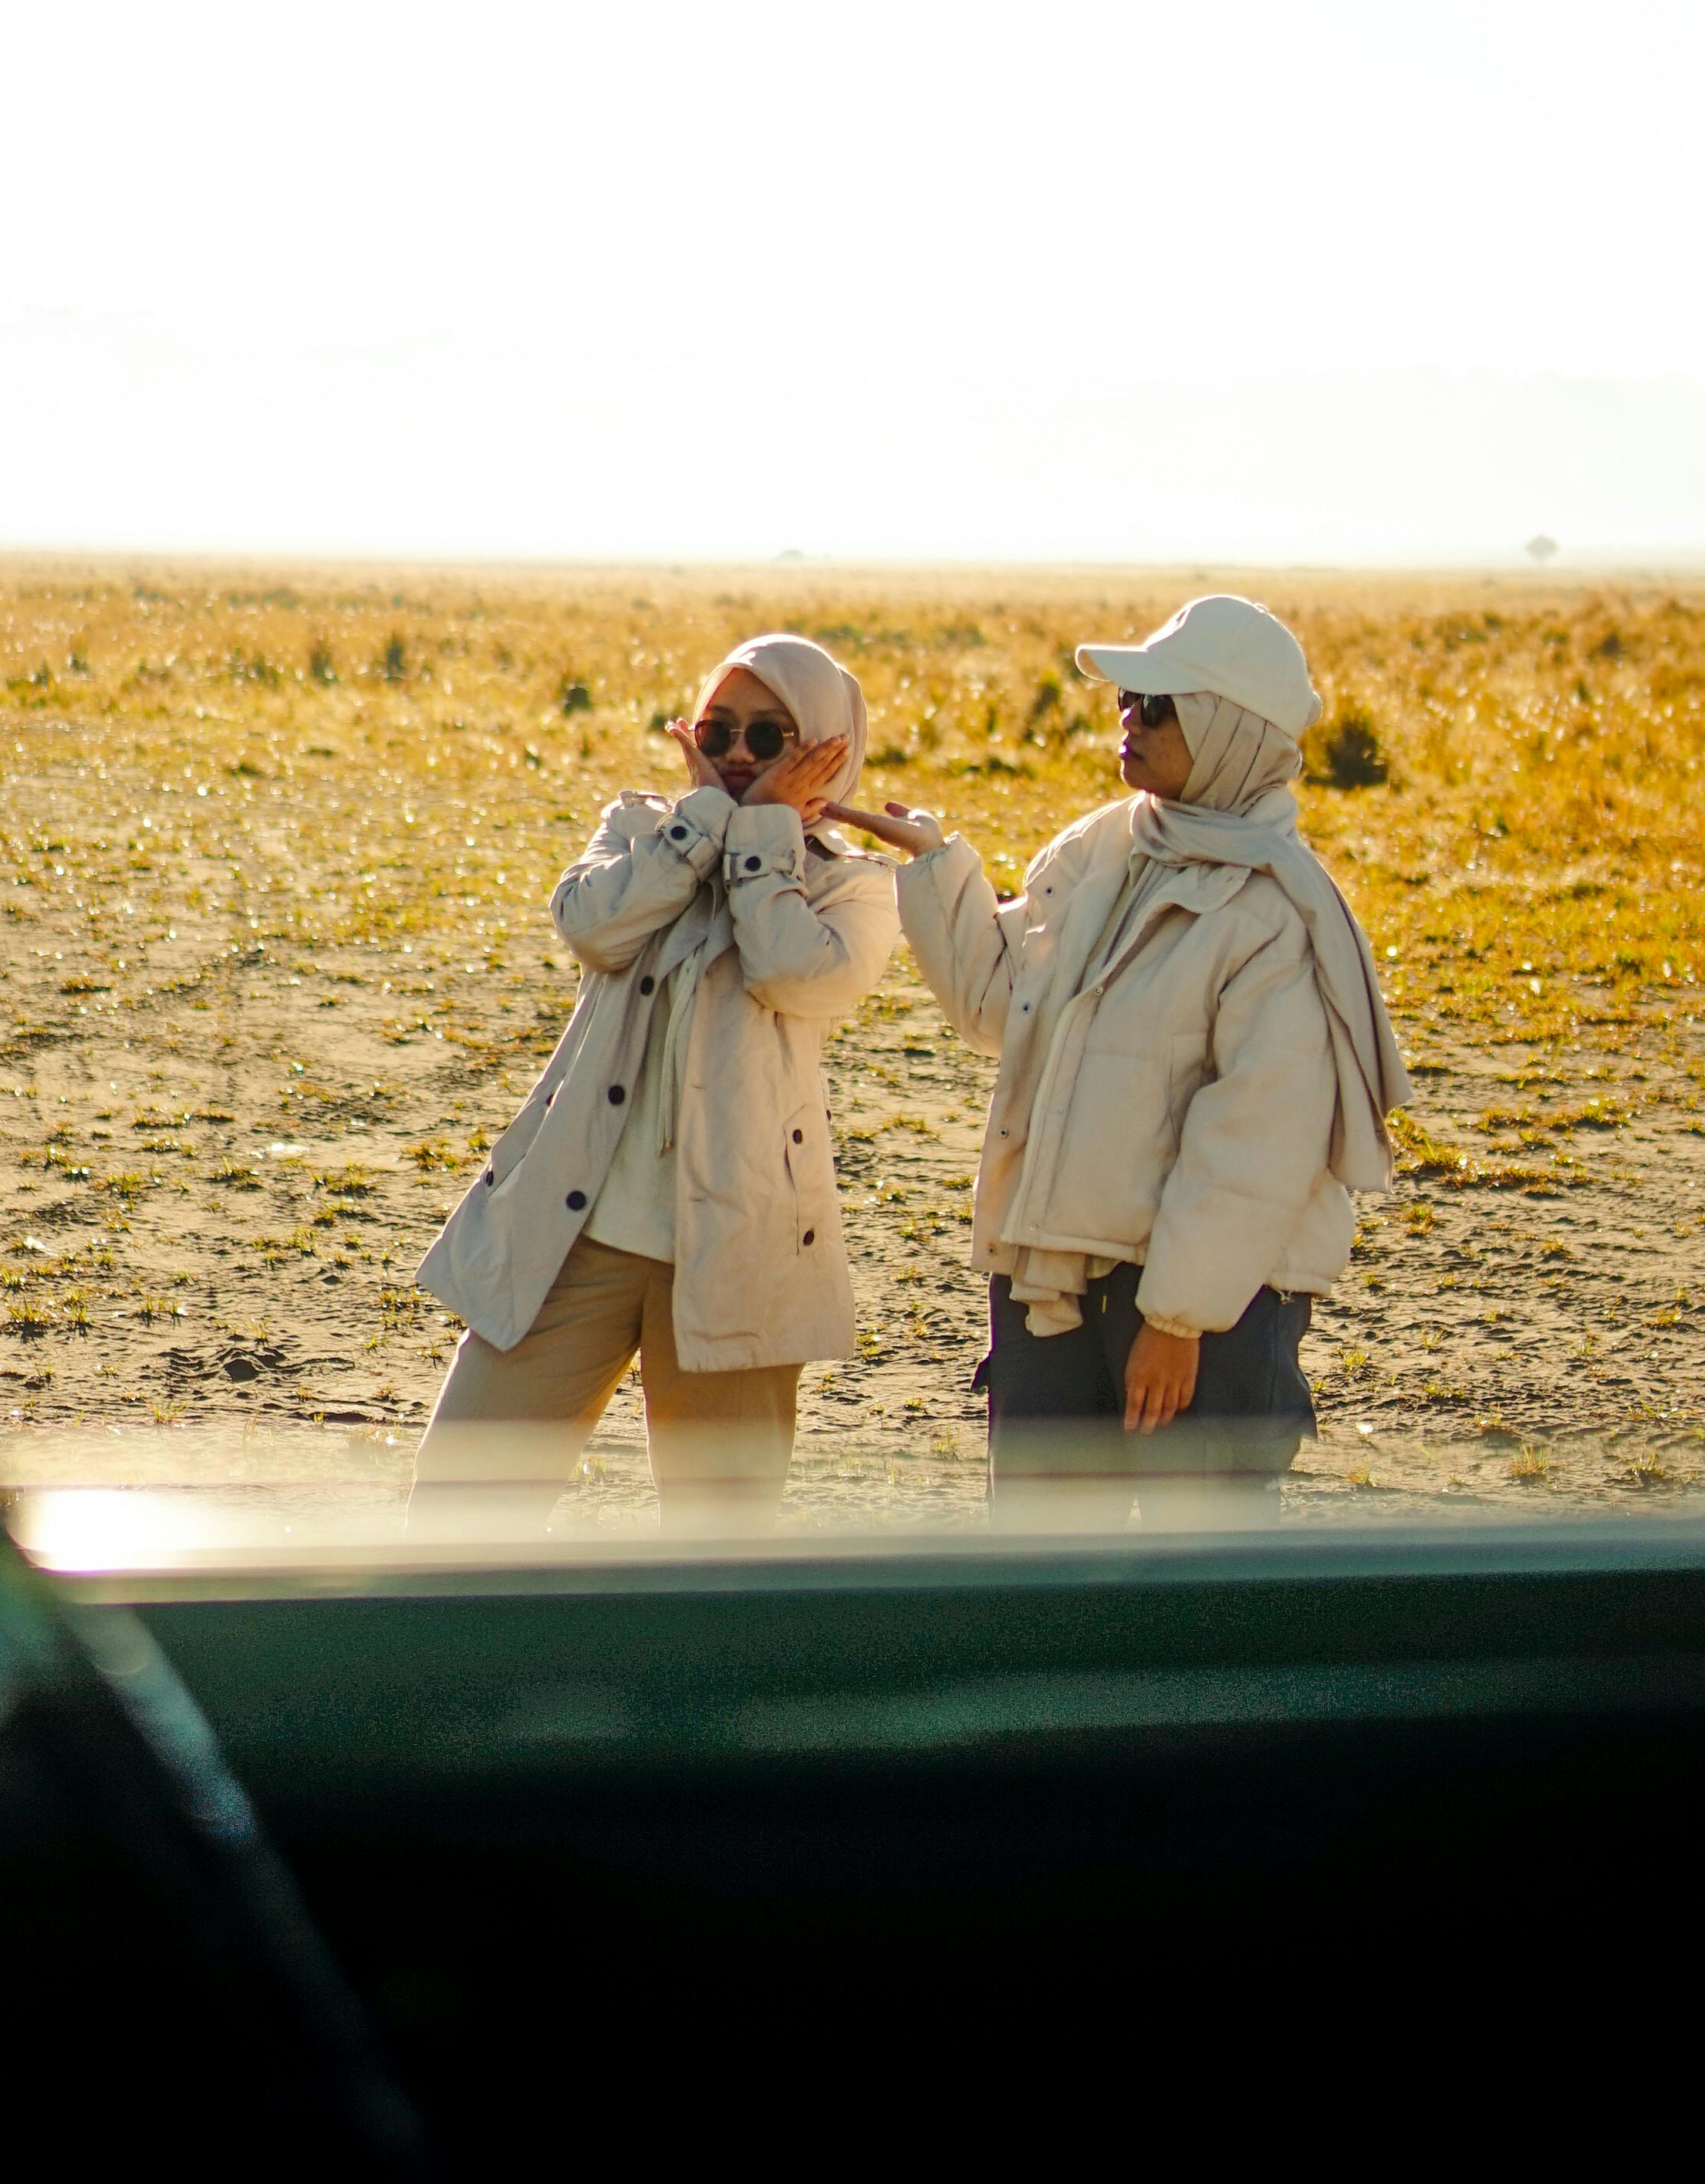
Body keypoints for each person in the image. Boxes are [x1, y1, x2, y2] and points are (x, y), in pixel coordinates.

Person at [837, 592, 1410, 1513]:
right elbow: (1001, 1008)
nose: (1127, 719)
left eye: (1157, 705)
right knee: (1044, 1564)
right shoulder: (1104, 847)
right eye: (1126, 700)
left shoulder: (1277, 916)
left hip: (1198, 1310)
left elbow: (1255, 1143)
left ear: (1228, 730)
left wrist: (1179, 1321)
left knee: (1199, 1579)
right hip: (1053, 1279)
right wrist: (937, 869)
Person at [410, 633, 896, 1525]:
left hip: (739, 1249)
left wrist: (764, 839)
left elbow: (794, 972)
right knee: (458, 1507)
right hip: (578, 1232)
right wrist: (706, 824)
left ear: (826, 746)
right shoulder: (642, 832)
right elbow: (593, 927)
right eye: (719, 732)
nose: (740, 756)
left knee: (720, 1549)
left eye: (770, 737)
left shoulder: (849, 888)